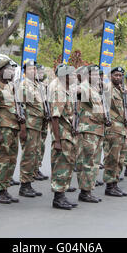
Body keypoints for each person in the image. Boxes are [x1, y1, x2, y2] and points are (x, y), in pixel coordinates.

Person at [0, 60, 27, 204]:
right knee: (1, 161)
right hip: (2, 129)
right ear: (0, 71)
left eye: (12, 70)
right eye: (9, 70)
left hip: (13, 128)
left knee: (11, 160)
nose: (11, 72)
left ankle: (4, 189)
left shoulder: (11, 86)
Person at [74, 65, 106, 203]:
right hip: (88, 130)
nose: (96, 77)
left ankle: (89, 189)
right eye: (93, 74)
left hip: (98, 130)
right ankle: (84, 191)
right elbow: (75, 90)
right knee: (86, 162)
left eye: (97, 75)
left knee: (94, 162)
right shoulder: (84, 88)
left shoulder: (96, 89)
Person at [49, 65, 79, 209]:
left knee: (67, 165)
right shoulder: (59, 92)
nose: (74, 77)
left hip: (68, 134)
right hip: (62, 135)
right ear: (64, 76)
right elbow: (54, 117)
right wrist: (57, 140)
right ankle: (58, 198)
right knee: (61, 166)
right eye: (72, 74)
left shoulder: (67, 91)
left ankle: (62, 195)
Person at [18, 60, 44, 198]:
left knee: (34, 154)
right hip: (29, 125)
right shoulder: (24, 86)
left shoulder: (37, 85)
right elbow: (21, 109)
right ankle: (24, 185)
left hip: (37, 125)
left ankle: (29, 182)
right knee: (28, 155)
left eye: (34, 69)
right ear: (24, 72)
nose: (33, 71)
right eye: (30, 69)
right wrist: (22, 129)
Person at [103, 67, 127, 197]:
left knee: (120, 159)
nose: (118, 77)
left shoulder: (122, 90)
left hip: (123, 129)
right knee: (112, 158)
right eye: (116, 75)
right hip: (112, 128)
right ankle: (109, 185)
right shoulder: (107, 88)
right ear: (110, 75)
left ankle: (115, 183)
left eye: (120, 75)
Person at [34, 64, 50, 181]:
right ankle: (32, 170)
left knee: (41, 146)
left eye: (42, 72)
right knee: (33, 148)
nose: (41, 74)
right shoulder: (29, 86)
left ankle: (37, 167)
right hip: (34, 121)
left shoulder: (42, 85)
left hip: (43, 120)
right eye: (39, 72)